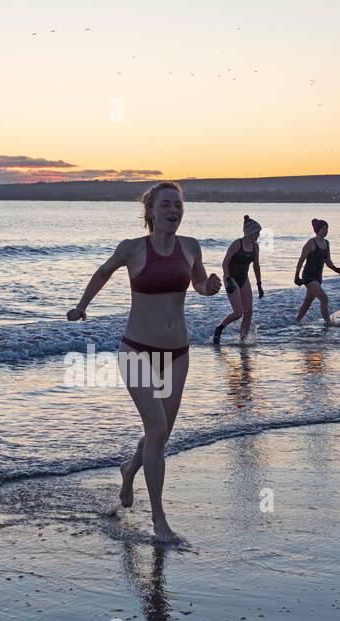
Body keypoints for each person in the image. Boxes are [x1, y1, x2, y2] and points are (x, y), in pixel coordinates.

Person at [66, 181, 221, 542]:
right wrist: (82, 305)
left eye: (178, 206)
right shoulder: (132, 249)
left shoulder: (191, 247)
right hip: (136, 350)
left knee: (159, 432)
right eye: (166, 205)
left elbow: (198, 283)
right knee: (156, 429)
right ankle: (159, 520)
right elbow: (104, 272)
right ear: (150, 211)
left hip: (178, 352)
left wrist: (208, 287)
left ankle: (128, 469)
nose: (174, 211)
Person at [213, 215, 264, 344]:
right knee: (238, 312)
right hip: (231, 278)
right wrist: (228, 278)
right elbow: (225, 263)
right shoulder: (237, 244)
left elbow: (256, 265)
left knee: (248, 312)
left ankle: (243, 339)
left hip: (244, 279)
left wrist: (259, 284)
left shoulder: (255, 246)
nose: (258, 235)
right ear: (250, 232)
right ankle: (219, 328)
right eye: (257, 233)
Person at [294, 218, 340, 324]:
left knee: (308, 301)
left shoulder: (327, 243)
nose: (325, 231)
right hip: (309, 276)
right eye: (323, 228)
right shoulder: (310, 243)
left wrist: (335, 269)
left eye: (326, 228)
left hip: (318, 277)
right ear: (317, 230)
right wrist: (297, 276)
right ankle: (328, 322)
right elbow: (301, 260)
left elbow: (327, 260)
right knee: (324, 298)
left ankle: (296, 321)